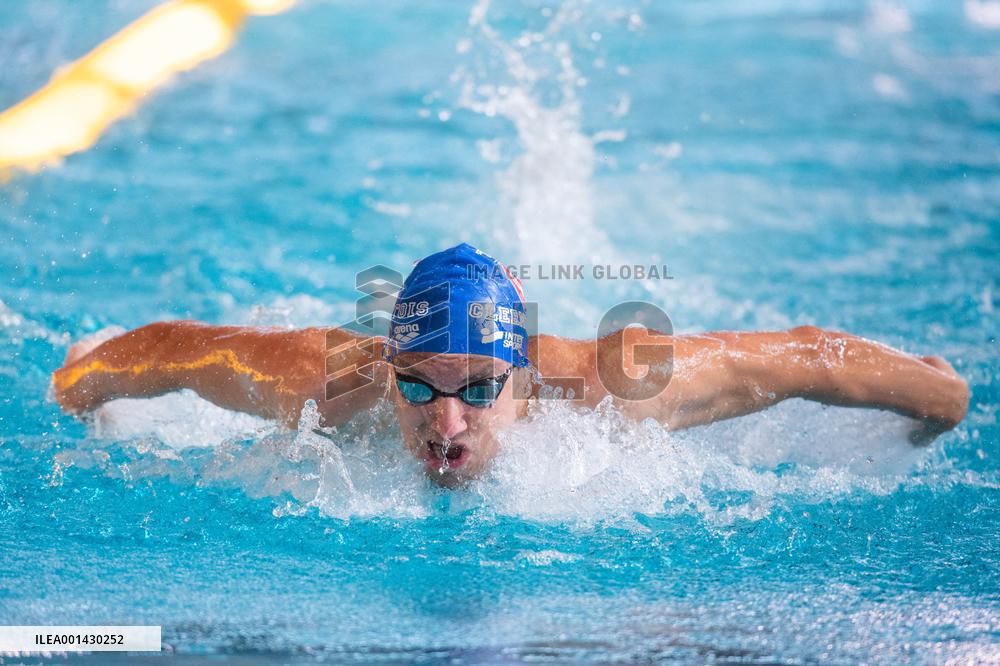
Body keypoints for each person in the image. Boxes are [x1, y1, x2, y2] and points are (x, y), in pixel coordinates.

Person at [52, 243, 970, 486]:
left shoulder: (617, 386)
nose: (444, 427)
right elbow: (180, 351)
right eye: (419, 386)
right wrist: (79, 378)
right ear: (391, 363)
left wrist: (940, 391)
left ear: (524, 380)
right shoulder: (327, 379)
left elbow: (808, 357)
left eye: (479, 390)